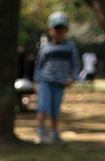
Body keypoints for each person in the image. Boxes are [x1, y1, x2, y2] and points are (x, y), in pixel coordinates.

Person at [34, 11, 79, 145]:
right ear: (50, 30)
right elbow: (39, 65)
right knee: (42, 108)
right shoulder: (46, 47)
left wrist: (73, 78)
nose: (59, 32)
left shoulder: (70, 47)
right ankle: (40, 133)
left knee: (55, 110)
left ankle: (54, 133)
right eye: (56, 29)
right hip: (45, 81)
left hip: (60, 82)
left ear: (66, 30)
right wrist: (36, 81)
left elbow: (75, 64)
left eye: (61, 29)